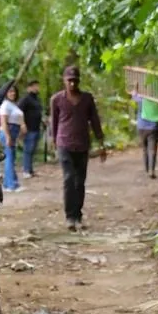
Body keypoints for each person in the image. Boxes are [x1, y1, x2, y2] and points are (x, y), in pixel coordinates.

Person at [49, 66, 106, 230]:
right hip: (64, 143)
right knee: (68, 178)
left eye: (75, 80)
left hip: (82, 144)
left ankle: (78, 215)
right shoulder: (57, 99)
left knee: (80, 181)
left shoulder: (87, 99)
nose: (72, 84)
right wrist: (54, 141)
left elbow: (94, 120)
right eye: (69, 81)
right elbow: (53, 122)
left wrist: (101, 142)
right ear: (64, 80)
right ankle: (69, 216)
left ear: (79, 81)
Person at [0, 82, 26, 193]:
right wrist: (8, 136)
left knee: (11, 157)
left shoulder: (13, 104)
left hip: (14, 130)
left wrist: (22, 126)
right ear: (6, 93)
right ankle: (11, 185)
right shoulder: (5, 105)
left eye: (14, 91)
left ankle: (8, 183)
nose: (12, 93)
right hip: (7, 131)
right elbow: (3, 122)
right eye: (10, 91)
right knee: (9, 158)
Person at [132, 91, 158, 178]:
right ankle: (151, 170)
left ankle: (147, 169)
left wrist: (135, 88)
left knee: (145, 149)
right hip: (153, 127)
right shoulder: (157, 99)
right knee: (152, 149)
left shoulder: (141, 98)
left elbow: (134, 95)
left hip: (141, 127)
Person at [18, 79, 43, 177]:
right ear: (29, 88)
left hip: (36, 127)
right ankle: (26, 170)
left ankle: (30, 169)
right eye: (34, 86)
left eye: (37, 85)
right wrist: (22, 124)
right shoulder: (25, 99)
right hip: (29, 128)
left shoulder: (36, 99)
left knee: (32, 150)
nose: (37, 88)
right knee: (28, 149)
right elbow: (18, 112)